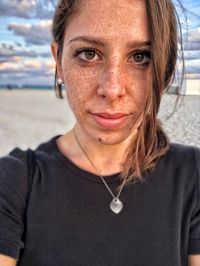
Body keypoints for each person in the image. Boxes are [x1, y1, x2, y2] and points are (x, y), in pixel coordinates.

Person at [0, 0, 200, 265]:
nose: (112, 89)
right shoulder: (13, 184)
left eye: (141, 56)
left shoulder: (193, 176)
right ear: (58, 62)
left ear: (163, 66)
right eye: (88, 54)